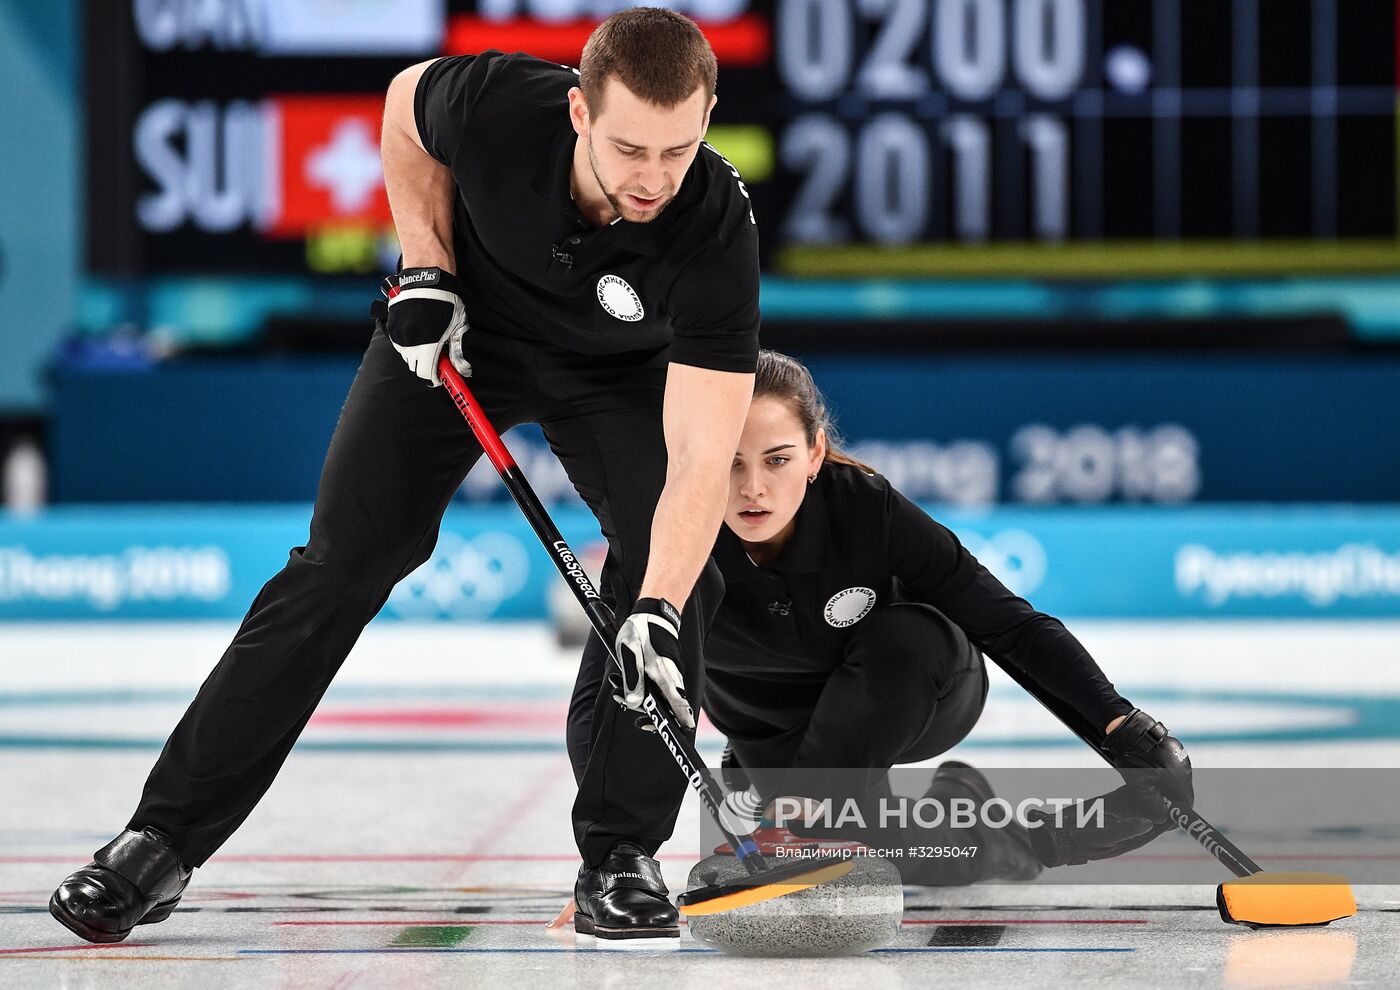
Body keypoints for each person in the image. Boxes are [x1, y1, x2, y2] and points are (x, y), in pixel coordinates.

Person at [50, 9, 759, 947]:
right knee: (342, 564)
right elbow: (401, 108)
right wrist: (427, 266)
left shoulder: (712, 225)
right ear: (581, 111)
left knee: (677, 577)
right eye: (631, 147)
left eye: (680, 149)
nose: (654, 178)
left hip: (612, 372)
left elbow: (705, 459)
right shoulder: (504, 104)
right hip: (461, 335)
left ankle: (621, 857)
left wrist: (658, 610)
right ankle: (160, 841)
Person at [567, 349, 1194, 884]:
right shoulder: (665, 536)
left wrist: (1125, 729)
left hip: (915, 693)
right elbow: (603, 697)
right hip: (771, 732)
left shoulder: (867, 510)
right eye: (729, 462)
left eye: (777, 459)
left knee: (908, 637)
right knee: (890, 851)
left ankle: (804, 819)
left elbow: (1010, 626)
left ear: (815, 455)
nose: (753, 487)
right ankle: (996, 828)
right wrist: (614, 853)